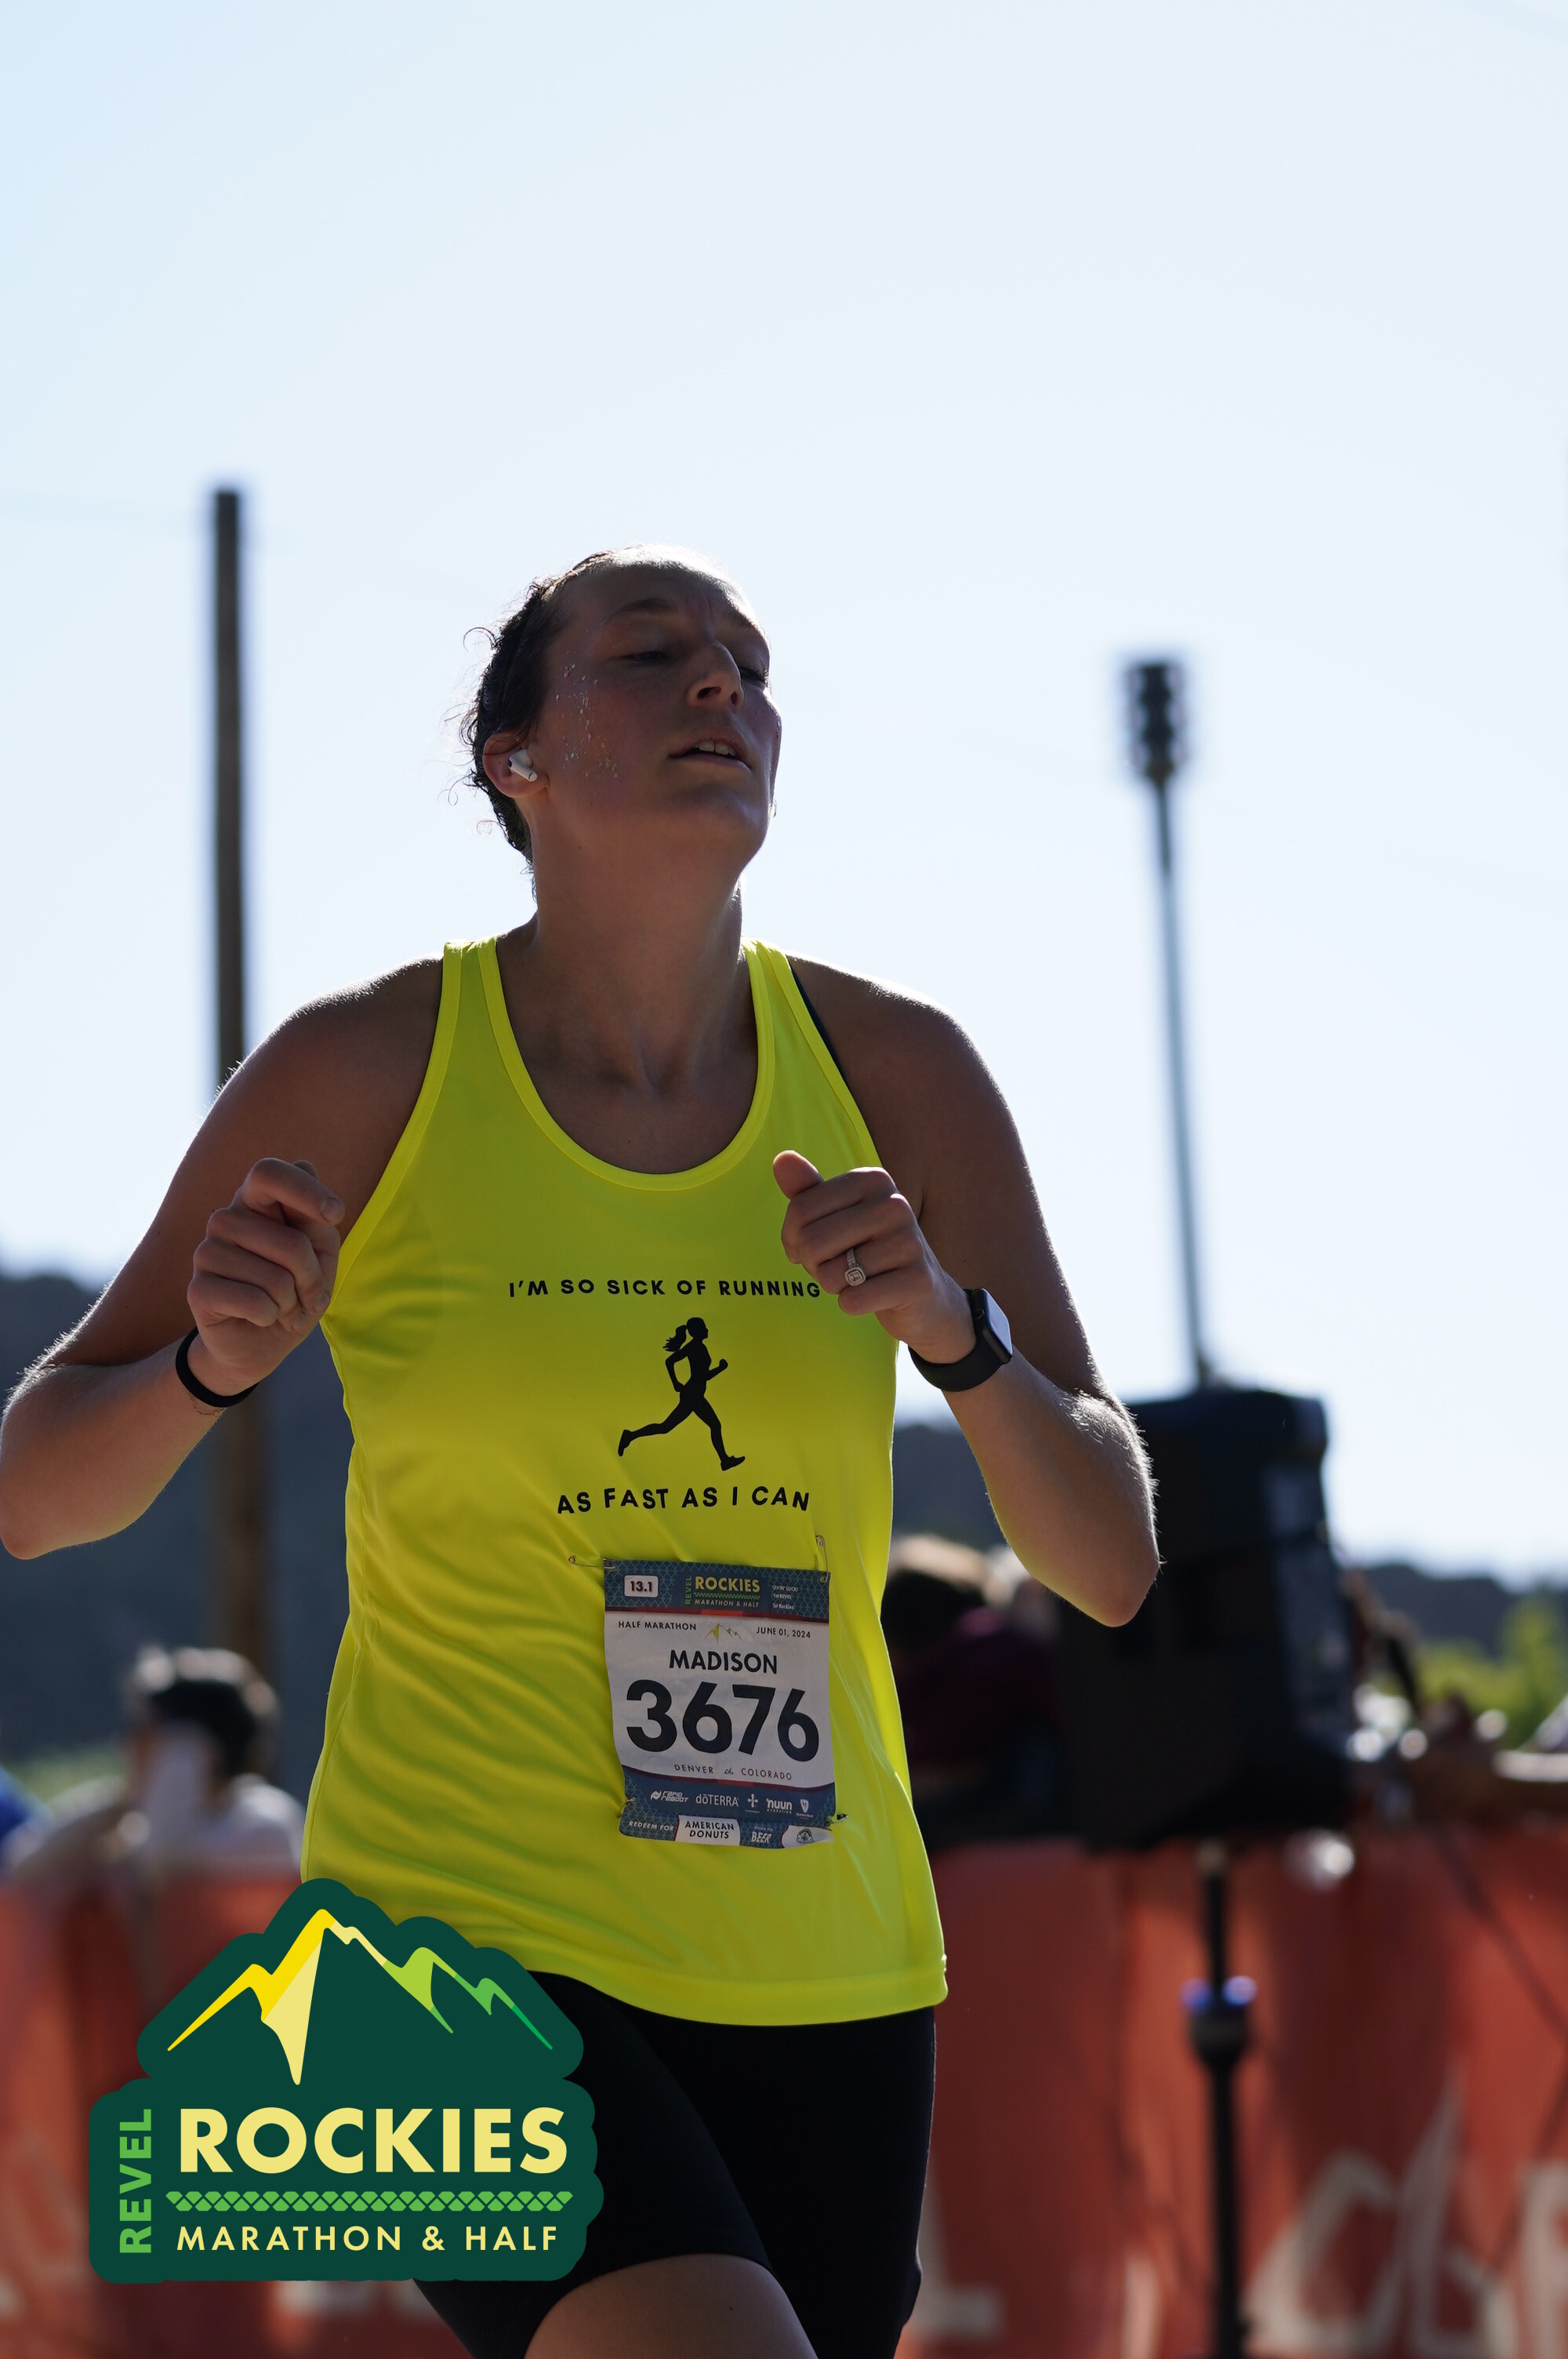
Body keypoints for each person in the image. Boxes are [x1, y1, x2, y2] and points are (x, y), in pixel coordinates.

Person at [0, 546, 1158, 2359]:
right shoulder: (365, 1067)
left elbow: (1108, 1561)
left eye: (748, 663)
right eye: (654, 650)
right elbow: (35, 1487)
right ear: (515, 758)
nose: (722, 685)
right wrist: (211, 1369)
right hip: (431, 1954)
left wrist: (959, 1335)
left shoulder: (898, 1072)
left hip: (822, 1957)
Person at [2, 1645, 302, 1884]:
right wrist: (121, 1802)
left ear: (195, 1748)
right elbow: (24, 1866)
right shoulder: (148, 1830)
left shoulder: (265, 1819)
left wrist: (180, 1757)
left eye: (143, 1729)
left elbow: (169, 1864)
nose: (127, 1745)